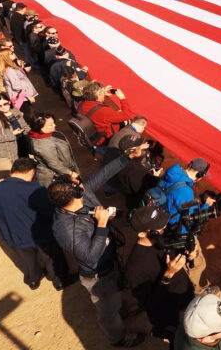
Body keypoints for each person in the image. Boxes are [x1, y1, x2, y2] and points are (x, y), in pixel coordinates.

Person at [49, 148, 147, 347]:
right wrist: (101, 225)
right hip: (98, 276)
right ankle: (118, 338)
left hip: (109, 260)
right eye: (78, 183)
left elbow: (103, 175)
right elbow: (90, 257)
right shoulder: (66, 228)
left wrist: (126, 157)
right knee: (108, 312)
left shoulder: (80, 197)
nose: (82, 183)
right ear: (75, 193)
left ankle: (120, 307)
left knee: (115, 296)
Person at [0, 157, 69, 290]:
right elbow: (49, 212)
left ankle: (33, 280)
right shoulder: (35, 190)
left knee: (28, 261)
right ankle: (59, 280)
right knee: (50, 257)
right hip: (40, 235)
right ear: (31, 172)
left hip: (13, 237)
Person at [125, 206, 194, 343]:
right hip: (168, 313)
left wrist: (187, 253)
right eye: (159, 227)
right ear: (142, 234)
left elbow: (176, 249)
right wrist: (168, 274)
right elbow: (150, 304)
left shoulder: (162, 237)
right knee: (179, 340)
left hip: (184, 296)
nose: (165, 227)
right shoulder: (135, 268)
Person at [157, 159, 218, 293]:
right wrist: (206, 206)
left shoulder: (172, 173)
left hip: (162, 222)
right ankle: (197, 290)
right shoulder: (185, 192)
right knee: (197, 263)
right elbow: (190, 221)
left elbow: (180, 205)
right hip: (176, 233)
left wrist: (197, 202)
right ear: (199, 175)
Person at [29, 112, 80, 187]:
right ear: (40, 128)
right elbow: (54, 164)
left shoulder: (45, 134)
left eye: (53, 122)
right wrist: (70, 173)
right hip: (58, 176)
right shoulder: (43, 146)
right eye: (50, 125)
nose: (54, 125)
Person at [0, 92, 31, 170]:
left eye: (5, 104)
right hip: (9, 150)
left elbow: (24, 126)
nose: (3, 107)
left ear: (9, 102)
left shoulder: (15, 111)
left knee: (25, 167)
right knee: (16, 170)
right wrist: (12, 134)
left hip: (22, 142)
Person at [80, 82, 135, 146]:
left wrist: (103, 94)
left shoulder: (81, 104)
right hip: (103, 137)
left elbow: (95, 105)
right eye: (102, 92)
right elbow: (127, 115)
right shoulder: (104, 111)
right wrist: (122, 99)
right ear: (98, 95)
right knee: (127, 120)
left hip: (91, 130)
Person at [0, 49, 38, 122]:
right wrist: (28, 96)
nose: (13, 54)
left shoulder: (10, 68)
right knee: (29, 115)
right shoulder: (9, 71)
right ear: (6, 57)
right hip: (21, 97)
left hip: (21, 96)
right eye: (11, 53)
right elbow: (16, 86)